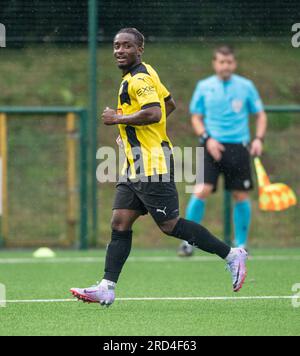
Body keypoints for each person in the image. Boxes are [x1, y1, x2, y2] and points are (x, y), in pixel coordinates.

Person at [70, 29, 248, 307]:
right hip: (135, 163)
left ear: (140, 49)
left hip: (152, 162)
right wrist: (131, 132)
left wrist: (118, 118)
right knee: (120, 221)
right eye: (116, 46)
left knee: (169, 225)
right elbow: (169, 104)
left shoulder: (139, 79)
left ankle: (231, 254)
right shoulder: (144, 72)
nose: (119, 50)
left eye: (127, 46)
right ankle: (107, 286)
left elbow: (154, 112)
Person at [178, 45, 267, 257]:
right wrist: (207, 139)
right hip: (210, 146)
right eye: (221, 62)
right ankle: (187, 242)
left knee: (241, 194)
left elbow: (260, 115)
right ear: (214, 63)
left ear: (234, 64)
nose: (225, 66)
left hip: (239, 146)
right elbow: (196, 117)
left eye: (228, 62)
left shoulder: (246, 86)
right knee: (201, 190)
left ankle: (241, 244)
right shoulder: (204, 86)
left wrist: (258, 139)